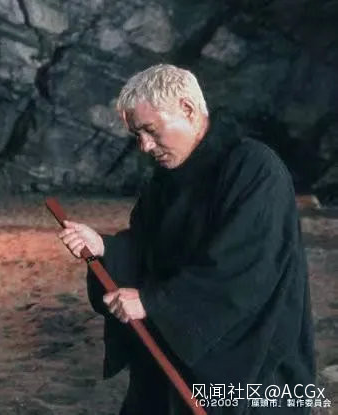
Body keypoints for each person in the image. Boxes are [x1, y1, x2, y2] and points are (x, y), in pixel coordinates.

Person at [58, 64, 315, 414]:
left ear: (188, 109)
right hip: (170, 355)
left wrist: (153, 303)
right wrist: (105, 247)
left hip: (252, 362)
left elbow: (244, 270)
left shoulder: (254, 169)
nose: (145, 146)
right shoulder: (164, 180)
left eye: (150, 130)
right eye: (137, 135)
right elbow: (148, 250)